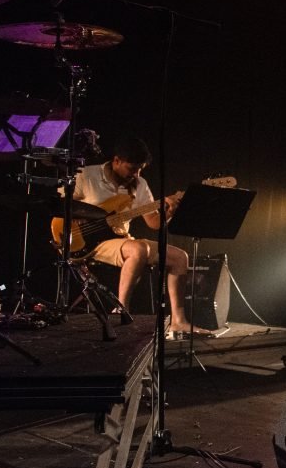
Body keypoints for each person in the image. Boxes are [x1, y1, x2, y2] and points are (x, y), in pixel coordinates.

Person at [71, 135, 201, 337]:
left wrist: (169, 210)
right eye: (132, 168)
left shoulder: (139, 184)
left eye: (140, 168)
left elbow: (153, 223)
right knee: (139, 248)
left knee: (180, 257)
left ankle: (178, 321)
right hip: (89, 241)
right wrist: (82, 218)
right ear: (116, 161)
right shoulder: (86, 175)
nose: (136, 173)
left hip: (121, 238)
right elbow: (61, 204)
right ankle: (121, 310)